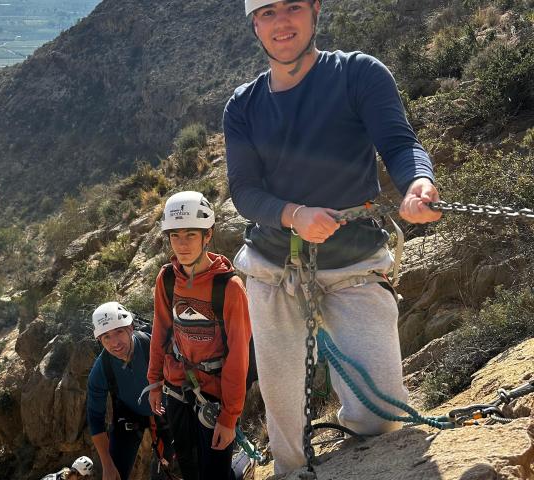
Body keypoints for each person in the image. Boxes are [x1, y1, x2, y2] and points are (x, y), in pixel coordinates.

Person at [223, 0, 443, 474]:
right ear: (254, 24)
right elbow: (244, 190)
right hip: (273, 268)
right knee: (286, 429)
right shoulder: (243, 106)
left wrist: (417, 183)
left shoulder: (358, 75)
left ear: (315, 10)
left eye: (293, 7)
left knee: (380, 415)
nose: (282, 22)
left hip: (353, 262)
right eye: (267, 13)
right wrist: (293, 214)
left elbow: (399, 143)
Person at [147, 191, 252, 480]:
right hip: (176, 388)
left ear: (208, 236)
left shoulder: (229, 288)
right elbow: (161, 330)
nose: (182, 245)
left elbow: (238, 356)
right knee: (191, 470)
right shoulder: (167, 279)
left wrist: (229, 418)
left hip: (214, 395)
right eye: (175, 235)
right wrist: (155, 381)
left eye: (190, 235)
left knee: (215, 471)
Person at [87, 302, 174, 480]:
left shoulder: (153, 347)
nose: (115, 343)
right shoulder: (101, 370)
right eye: (106, 337)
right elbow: (95, 418)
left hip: (166, 410)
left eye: (119, 331)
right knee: (114, 474)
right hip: (129, 414)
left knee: (169, 472)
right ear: (100, 341)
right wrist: (107, 464)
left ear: (131, 328)